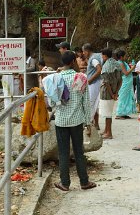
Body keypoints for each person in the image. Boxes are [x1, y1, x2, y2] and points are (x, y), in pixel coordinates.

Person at [53, 51, 96, 191]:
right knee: (79, 151)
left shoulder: (56, 78)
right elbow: (85, 102)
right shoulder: (80, 77)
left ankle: (64, 183)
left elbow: (52, 102)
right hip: (77, 121)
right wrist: (88, 122)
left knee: (63, 152)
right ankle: (84, 182)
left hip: (61, 121)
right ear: (73, 61)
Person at [99, 48, 122, 139]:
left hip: (106, 93)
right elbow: (120, 80)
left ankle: (109, 133)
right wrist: (116, 92)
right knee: (108, 111)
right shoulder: (117, 64)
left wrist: (112, 94)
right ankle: (106, 130)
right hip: (115, 90)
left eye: (102, 55)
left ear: (105, 55)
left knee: (107, 113)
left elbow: (107, 82)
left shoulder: (105, 66)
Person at [82, 43, 102, 130]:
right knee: (95, 104)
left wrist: (89, 80)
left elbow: (99, 69)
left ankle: (88, 123)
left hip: (94, 84)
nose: (83, 53)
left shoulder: (93, 59)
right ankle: (95, 124)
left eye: (84, 52)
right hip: (97, 83)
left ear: (87, 51)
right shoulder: (97, 56)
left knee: (90, 103)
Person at [115, 49, 136, 119]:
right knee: (123, 97)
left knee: (127, 97)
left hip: (128, 83)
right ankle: (119, 113)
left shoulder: (123, 62)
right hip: (124, 82)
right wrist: (132, 68)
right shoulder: (120, 63)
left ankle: (124, 112)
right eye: (124, 56)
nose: (126, 57)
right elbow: (126, 73)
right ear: (121, 57)